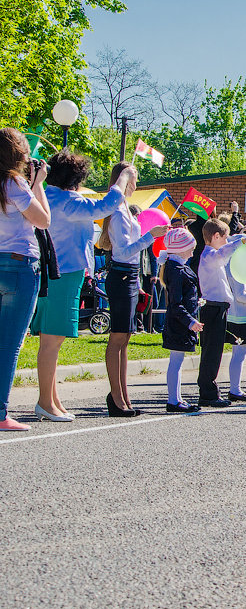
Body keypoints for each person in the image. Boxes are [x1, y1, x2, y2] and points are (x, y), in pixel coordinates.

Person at [30, 150, 124, 421]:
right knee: (52, 340)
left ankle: (51, 399)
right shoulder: (68, 201)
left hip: (55, 273)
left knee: (52, 340)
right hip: (64, 274)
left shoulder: (50, 196)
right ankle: (45, 403)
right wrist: (122, 180)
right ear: (76, 178)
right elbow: (104, 207)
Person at [96, 162, 169, 416]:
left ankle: (123, 395)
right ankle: (115, 397)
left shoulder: (125, 209)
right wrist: (151, 235)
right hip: (120, 275)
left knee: (125, 338)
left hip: (130, 276)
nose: (136, 185)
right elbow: (122, 251)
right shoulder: (117, 212)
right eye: (134, 179)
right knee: (117, 338)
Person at [0, 130, 51, 431]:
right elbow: (43, 220)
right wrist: (38, 184)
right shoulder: (15, 183)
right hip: (19, 266)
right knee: (7, 345)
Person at [195, 218, 246, 408]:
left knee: (215, 351)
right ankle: (208, 392)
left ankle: (210, 390)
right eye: (225, 238)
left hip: (219, 307)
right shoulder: (210, 255)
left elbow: (225, 255)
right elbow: (224, 252)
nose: (226, 242)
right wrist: (239, 242)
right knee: (212, 351)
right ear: (216, 236)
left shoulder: (213, 256)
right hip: (213, 308)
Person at [159, 227, 203, 412]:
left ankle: (176, 398)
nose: (193, 252)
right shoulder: (176, 270)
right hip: (179, 323)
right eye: (190, 248)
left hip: (181, 321)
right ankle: (173, 400)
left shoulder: (177, 267)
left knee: (177, 361)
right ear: (180, 249)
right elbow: (176, 303)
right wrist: (190, 321)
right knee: (176, 361)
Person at [225, 262, 246, 402]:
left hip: (240, 315)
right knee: (239, 355)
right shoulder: (238, 268)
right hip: (239, 316)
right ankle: (235, 389)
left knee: (239, 354)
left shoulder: (235, 267)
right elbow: (240, 296)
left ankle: (235, 388)